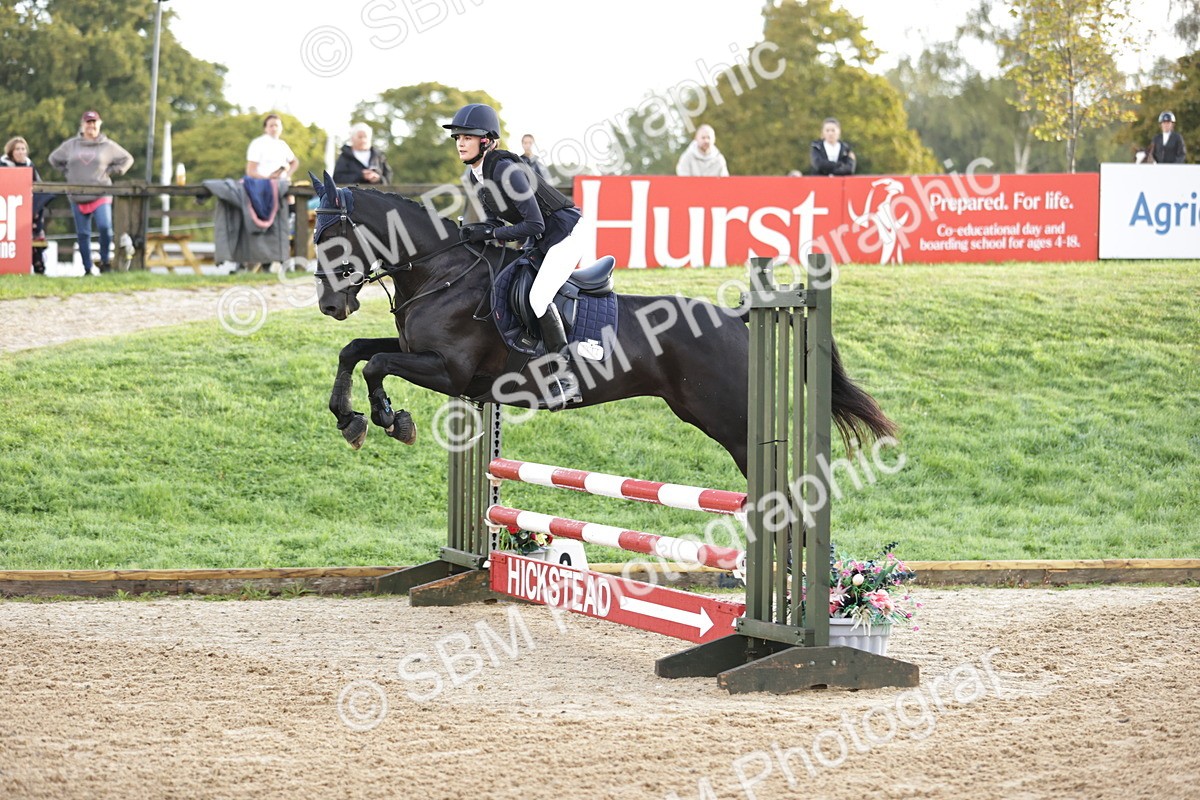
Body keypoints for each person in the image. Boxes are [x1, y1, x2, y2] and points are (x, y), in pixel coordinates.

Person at [444, 103, 591, 409]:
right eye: (458, 136)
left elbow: (534, 223)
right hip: (541, 237)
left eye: (468, 137)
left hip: (567, 232)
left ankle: (566, 377)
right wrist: (472, 233)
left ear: (487, 141)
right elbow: (495, 224)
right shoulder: (475, 177)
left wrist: (490, 234)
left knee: (538, 298)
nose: (460, 142)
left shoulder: (506, 170)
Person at [48, 111, 134, 276]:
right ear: (82, 125)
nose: (91, 126)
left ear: (99, 124)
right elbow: (53, 158)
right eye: (88, 122)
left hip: (101, 192)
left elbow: (127, 158)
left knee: (104, 226)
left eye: (94, 122)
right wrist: (67, 171)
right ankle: (87, 268)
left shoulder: (107, 145)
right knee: (82, 233)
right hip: (77, 194)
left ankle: (105, 261)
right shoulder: (71, 145)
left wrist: (115, 170)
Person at [1, 136, 49, 274]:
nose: (21, 152)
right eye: (17, 149)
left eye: (23, 149)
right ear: (11, 152)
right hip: (7, 207)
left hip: (28, 209)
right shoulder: (3, 165)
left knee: (34, 233)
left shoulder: (30, 165)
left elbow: (39, 186)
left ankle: (39, 266)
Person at [245, 113, 298, 179]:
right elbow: (250, 171)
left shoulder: (282, 144)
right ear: (265, 128)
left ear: (281, 127)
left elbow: (294, 162)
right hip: (263, 185)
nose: (274, 128)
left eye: (276, 125)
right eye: (271, 126)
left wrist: (287, 176)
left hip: (282, 185)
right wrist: (268, 179)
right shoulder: (257, 143)